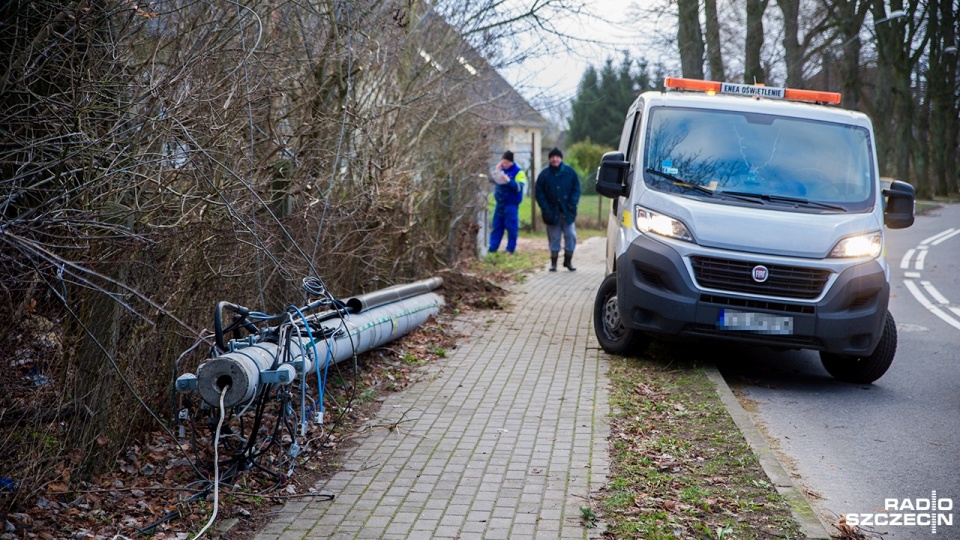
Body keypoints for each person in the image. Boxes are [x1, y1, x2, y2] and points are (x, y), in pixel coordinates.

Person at [535, 147, 581, 271]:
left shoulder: (570, 172)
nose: (555, 159)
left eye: (557, 157)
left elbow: (576, 189)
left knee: (570, 235)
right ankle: (553, 263)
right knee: (554, 237)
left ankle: (568, 261)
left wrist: (572, 204)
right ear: (550, 159)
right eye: (552, 157)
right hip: (551, 213)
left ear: (561, 158)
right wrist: (545, 208)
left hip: (568, 212)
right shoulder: (544, 175)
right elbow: (539, 193)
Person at [488, 150, 526, 254]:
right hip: (500, 203)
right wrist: (496, 172)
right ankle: (492, 248)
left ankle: (510, 249)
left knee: (511, 227)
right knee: (497, 226)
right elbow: (491, 180)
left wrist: (508, 181)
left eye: (505, 162)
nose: (504, 164)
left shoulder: (519, 172)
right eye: (502, 162)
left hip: (511, 204)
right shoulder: (501, 170)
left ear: (511, 162)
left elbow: (519, 187)